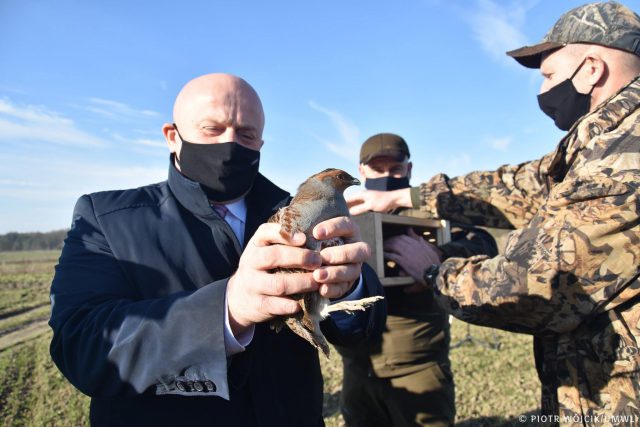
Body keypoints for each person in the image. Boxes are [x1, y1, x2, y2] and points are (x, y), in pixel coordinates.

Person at [348, 2, 640, 423]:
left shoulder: (624, 159)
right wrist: (405, 198)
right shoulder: (599, 146)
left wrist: (434, 272)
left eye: (549, 76)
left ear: (591, 68)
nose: (543, 92)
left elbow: (535, 288)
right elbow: (519, 185)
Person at [49, 73, 385, 427]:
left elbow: (367, 328)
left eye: (246, 134)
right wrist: (227, 310)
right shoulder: (106, 219)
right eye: (212, 129)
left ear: (261, 143)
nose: (230, 144)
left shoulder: (297, 211)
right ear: (172, 136)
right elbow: (80, 348)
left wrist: (350, 285)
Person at [337, 133, 497, 427]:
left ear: (409, 170)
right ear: (362, 171)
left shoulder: (430, 211)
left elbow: (484, 243)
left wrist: (437, 254)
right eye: (377, 169)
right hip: (358, 368)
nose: (387, 176)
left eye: (395, 169)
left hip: (418, 366)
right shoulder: (348, 213)